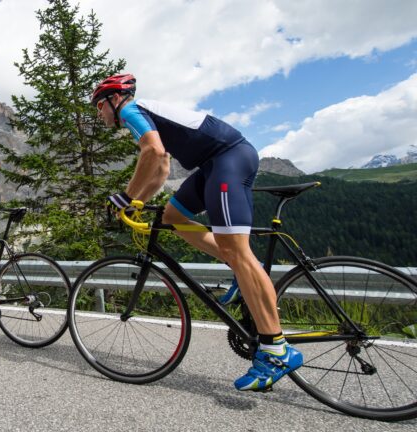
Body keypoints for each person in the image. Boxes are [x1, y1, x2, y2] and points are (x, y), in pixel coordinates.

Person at [94, 73, 302, 391]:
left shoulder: (131, 110)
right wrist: (137, 202)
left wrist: (125, 196)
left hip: (227, 159)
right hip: (213, 164)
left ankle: (276, 350)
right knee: (172, 216)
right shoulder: (142, 113)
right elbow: (162, 168)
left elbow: (152, 152)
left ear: (114, 98)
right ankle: (245, 271)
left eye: (99, 106)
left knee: (236, 251)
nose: (99, 114)